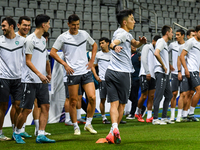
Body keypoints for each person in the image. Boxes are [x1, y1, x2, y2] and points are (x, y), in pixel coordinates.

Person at [50, 14, 98, 135]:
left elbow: (94, 45)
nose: (75, 27)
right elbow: (52, 52)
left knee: (92, 97)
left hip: (86, 71)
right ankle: (75, 126)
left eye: (77, 25)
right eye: (73, 25)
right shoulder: (63, 37)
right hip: (72, 73)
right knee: (73, 100)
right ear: (68, 24)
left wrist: (92, 60)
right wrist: (65, 64)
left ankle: (88, 123)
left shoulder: (84, 34)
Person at [105, 9, 146, 144]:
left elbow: (134, 43)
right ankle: (115, 130)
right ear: (125, 22)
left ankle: (113, 130)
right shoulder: (123, 34)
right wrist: (113, 46)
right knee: (121, 104)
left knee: (113, 103)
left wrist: (141, 42)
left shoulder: (122, 33)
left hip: (110, 72)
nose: (134, 21)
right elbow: (114, 43)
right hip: (123, 74)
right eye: (132, 19)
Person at [13, 14, 55, 144]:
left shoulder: (43, 40)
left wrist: (48, 73)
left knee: (46, 107)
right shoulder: (30, 40)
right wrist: (40, 74)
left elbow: (44, 59)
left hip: (41, 81)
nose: (49, 25)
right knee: (27, 110)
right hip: (30, 81)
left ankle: (41, 134)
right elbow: (28, 61)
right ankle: (17, 132)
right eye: (48, 23)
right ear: (43, 25)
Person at [0, 17, 25, 141]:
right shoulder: (0, 40)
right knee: (3, 107)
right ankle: (0, 133)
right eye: (2, 26)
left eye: (4, 26)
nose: (2, 28)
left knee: (18, 105)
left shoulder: (22, 41)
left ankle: (15, 132)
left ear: (11, 26)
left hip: (18, 78)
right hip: (3, 78)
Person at [9, 16, 32, 138]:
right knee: (16, 104)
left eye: (28, 25)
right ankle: (15, 131)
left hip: (26, 77)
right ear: (18, 25)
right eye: (24, 25)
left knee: (23, 106)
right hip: (15, 77)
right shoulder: (13, 38)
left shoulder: (29, 39)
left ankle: (20, 129)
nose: (27, 27)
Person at [135, 35, 161, 123]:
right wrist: (147, 72)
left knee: (151, 96)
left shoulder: (156, 50)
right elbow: (143, 59)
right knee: (144, 95)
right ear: (153, 41)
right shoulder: (147, 47)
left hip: (153, 75)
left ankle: (149, 116)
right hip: (144, 74)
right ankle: (138, 112)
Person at [153, 25, 174, 125]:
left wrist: (168, 66)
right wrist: (163, 65)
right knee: (159, 95)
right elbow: (156, 53)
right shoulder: (161, 41)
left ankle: (164, 117)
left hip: (165, 73)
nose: (172, 34)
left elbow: (161, 56)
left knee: (169, 95)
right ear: (167, 33)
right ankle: (155, 118)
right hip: (160, 72)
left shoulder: (164, 43)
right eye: (171, 32)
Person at [180, 25, 200, 122]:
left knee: (190, 93)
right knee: (199, 90)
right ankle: (191, 113)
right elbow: (182, 56)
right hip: (191, 70)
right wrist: (186, 69)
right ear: (196, 32)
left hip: (196, 70)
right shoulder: (191, 42)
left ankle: (184, 115)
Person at [33, 32, 51, 136]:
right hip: (33, 78)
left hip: (43, 78)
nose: (46, 40)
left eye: (46, 38)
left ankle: (40, 130)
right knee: (34, 105)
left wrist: (49, 74)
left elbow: (47, 62)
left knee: (43, 105)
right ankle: (35, 129)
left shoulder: (44, 49)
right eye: (44, 38)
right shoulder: (33, 46)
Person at [92, 37, 111, 124]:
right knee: (103, 99)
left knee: (114, 100)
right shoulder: (98, 54)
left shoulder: (113, 54)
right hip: (102, 80)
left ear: (108, 43)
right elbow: (92, 65)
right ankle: (104, 118)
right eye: (100, 43)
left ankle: (115, 117)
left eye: (102, 43)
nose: (101, 45)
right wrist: (96, 76)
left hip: (112, 80)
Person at [169, 29, 186, 122]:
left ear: (183, 35)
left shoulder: (187, 45)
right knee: (174, 94)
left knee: (183, 94)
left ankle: (179, 116)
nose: (176, 36)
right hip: (175, 73)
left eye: (178, 35)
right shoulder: (172, 45)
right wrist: (168, 64)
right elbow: (164, 53)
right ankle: (172, 115)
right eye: (175, 35)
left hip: (184, 73)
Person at [126, 46, 142, 120]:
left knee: (134, 95)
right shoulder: (127, 54)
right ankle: (141, 106)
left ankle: (132, 113)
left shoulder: (138, 55)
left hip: (136, 78)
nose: (132, 47)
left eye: (134, 45)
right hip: (128, 78)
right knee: (127, 95)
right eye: (131, 45)